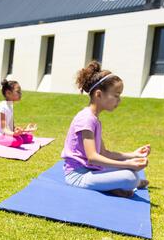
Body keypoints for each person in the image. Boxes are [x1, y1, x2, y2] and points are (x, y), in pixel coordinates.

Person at [61, 61, 150, 197]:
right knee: (130, 177)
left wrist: (133, 155)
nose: (119, 100)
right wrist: (128, 165)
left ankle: (113, 185)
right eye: (116, 95)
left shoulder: (94, 119)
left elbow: (104, 153)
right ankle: (120, 185)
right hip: (77, 176)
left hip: (92, 170)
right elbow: (93, 158)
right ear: (98, 94)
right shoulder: (86, 119)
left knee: (130, 171)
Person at [0, 79, 37, 148]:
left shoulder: (10, 106)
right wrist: (14, 133)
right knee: (18, 141)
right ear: (8, 93)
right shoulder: (2, 107)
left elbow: (12, 127)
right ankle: (2, 141)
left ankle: (14, 138)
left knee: (29, 137)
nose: (20, 94)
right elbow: (4, 129)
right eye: (18, 91)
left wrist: (24, 130)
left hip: (6, 134)